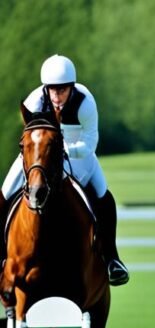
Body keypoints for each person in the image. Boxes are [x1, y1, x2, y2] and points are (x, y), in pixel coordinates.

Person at [1, 54, 130, 284]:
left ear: (71, 87)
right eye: (53, 90)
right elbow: (31, 139)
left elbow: (91, 144)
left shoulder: (85, 102)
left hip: (80, 152)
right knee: (4, 194)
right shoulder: (34, 102)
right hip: (41, 153)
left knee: (104, 197)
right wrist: (46, 153)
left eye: (63, 90)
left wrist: (65, 151)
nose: (58, 96)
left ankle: (112, 259)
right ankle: (2, 256)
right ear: (46, 89)